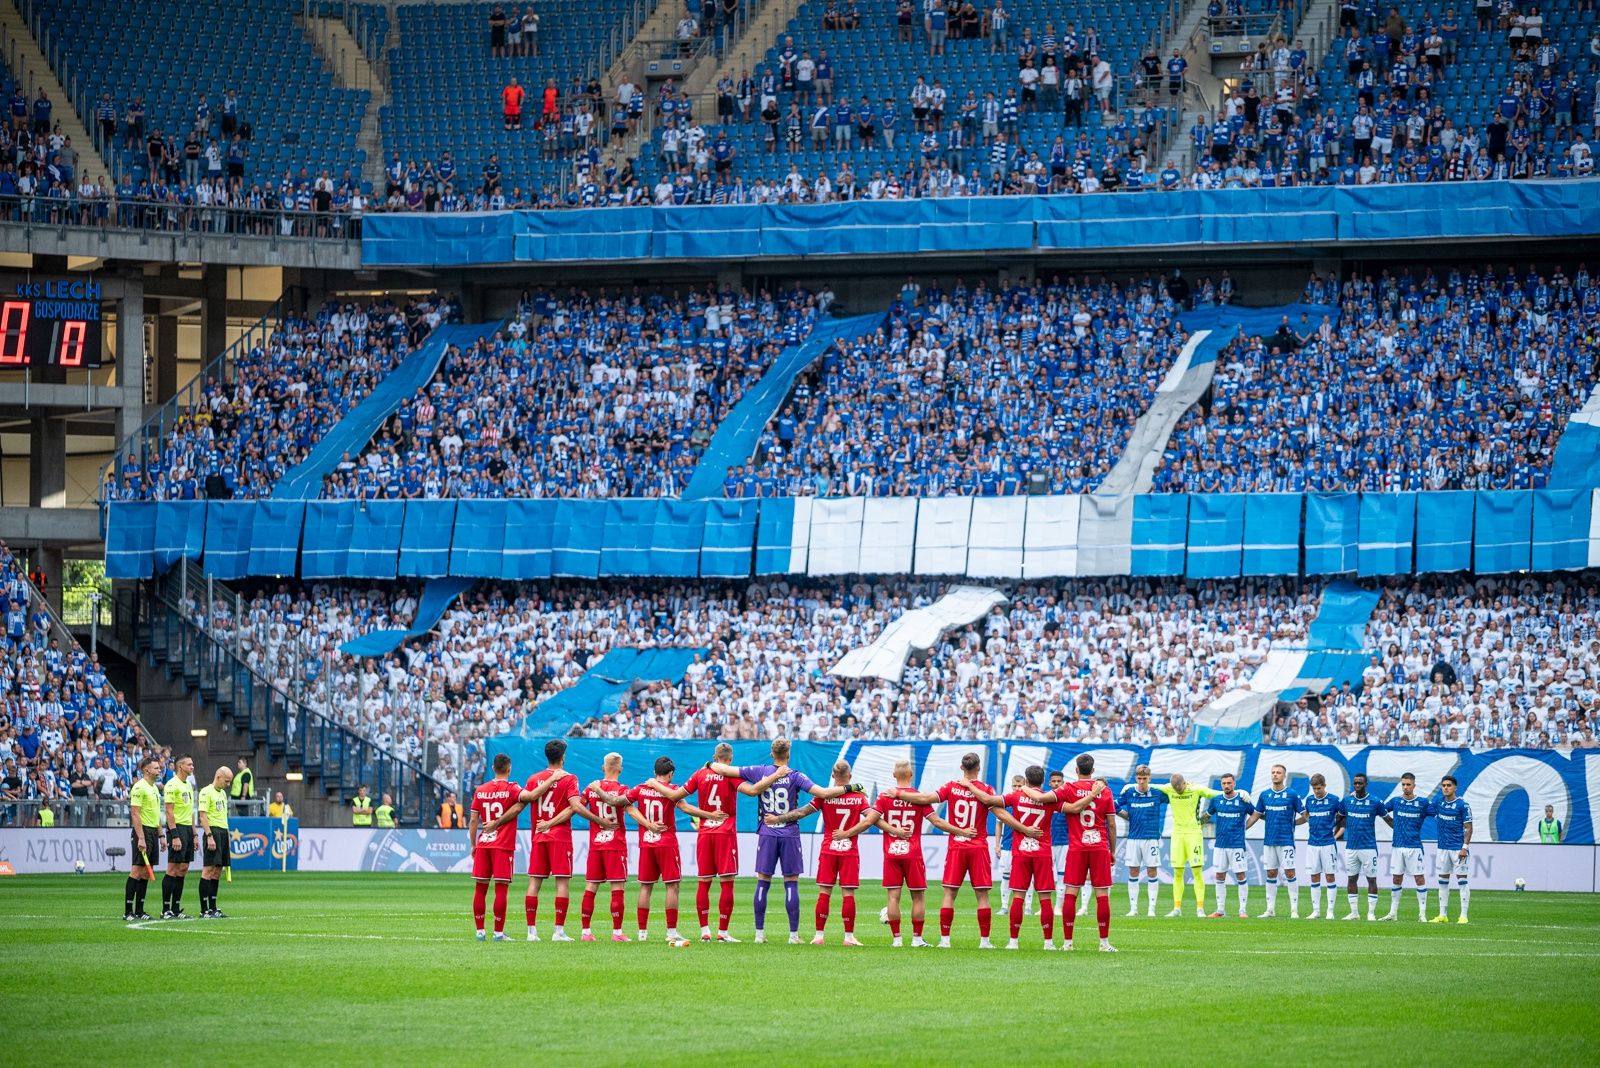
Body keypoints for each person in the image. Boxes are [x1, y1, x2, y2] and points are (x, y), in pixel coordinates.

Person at [706, 738, 843, 943]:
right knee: (791, 883)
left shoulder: (759, 771)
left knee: (763, 882)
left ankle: (759, 935)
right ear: (788, 755)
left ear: (771, 754)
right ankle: (793, 935)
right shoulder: (795, 775)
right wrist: (851, 788)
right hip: (789, 833)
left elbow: (724, 770)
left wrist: (709, 764)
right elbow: (822, 793)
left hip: (767, 833)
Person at [879, 751, 1011, 949]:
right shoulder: (987, 790)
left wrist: (897, 793)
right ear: (978, 768)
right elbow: (1000, 812)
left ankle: (945, 940)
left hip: (956, 846)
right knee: (982, 896)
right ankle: (984, 941)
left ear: (961, 768)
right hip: (978, 845)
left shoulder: (951, 787)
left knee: (949, 894)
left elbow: (925, 799)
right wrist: (1022, 828)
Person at [479, 738, 586, 941]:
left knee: (534, 882)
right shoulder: (569, 778)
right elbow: (573, 807)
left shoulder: (533, 778)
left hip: (538, 836)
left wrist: (496, 822)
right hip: (560, 837)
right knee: (562, 882)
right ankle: (558, 931)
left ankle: (531, 932)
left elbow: (519, 807)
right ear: (563, 757)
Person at [764, 760, 870, 945]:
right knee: (848, 894)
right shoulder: (859, 798)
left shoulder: (824, 796)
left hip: (829, 848)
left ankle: (819, 936)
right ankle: (848, 937)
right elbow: (870, 818)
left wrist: (777, 818)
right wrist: (849, 833)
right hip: (849, 850)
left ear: (832, 776)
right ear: (850, 777)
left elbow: (801, 813)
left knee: (824, 892)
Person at [649, 743, 743, 941]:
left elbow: (676, 796)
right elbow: (751, 791)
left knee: (704, 882)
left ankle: (704, 932)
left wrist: (654, 783)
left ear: (714, 757)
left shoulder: (700, 774)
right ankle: (723, 932)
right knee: (727, 883)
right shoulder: (732, 775)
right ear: (730, 759)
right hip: (725, 833)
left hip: (705, 833)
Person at [1022, 754, 1116, 951]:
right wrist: (1112, 851)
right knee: (1102, 895)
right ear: (1093, 769)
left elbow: (1039, 797)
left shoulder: (1068, 788)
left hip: (1076, 848)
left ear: (1076, 770)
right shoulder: (1105, 791)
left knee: (1071, 894)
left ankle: (1068, 943)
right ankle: (1104, 943)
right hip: (1099, 847)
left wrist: (1023, 786)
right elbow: (1112, 825)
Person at [625, 757, 720, 944]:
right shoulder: (673, 790)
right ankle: (671, 931)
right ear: (670, 774)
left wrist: (646, 824)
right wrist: (709, 815)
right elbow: (686, 808)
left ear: (654, 772)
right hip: (666, 843)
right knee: (672, 886)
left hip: (646, 842)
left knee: (645, 887)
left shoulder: (641, 788)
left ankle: (642, 933)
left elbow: (626, 805)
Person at [871, 758, 965, 946]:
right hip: (913, 853)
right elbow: (937, 822)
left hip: (891, 852)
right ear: (911, 774)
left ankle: (897, 940)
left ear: (893, 775)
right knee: (918, 896)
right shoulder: (918, 797)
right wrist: (961, 831)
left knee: (892, 896)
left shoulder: (884, 796)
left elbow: (873, 819)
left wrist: (892, 830)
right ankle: (916, 939)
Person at [572, 752, 662, 942]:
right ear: (620, 769)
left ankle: (585, 932)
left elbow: (577, 807)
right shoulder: (622, 789)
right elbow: (631, 811)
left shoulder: (591, 788)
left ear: (603, 767)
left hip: (597, 843)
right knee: (617, 888)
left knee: (591, 887)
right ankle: (617, 933)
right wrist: (648, 825)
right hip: (615, 844)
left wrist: (596, 820)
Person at [998, 765, 1068, 948]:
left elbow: (992, 804)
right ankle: (1048, 943)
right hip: (1043, 852)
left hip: (1021, 852)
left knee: (1018, 896)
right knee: (1045, 898)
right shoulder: (1050, 799)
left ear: (1027, 781)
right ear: (1043, 781)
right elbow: (1073, 808)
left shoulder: (1016, 795)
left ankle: (1013, 941)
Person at [469, 753, 524, 941]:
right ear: (509, 769)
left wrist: (474, 844)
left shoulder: (481, 789)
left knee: (480, 889)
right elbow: (525, 800)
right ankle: (498, 933)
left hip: (484, 844)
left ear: (493, 768)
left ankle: (480, 932)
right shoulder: (513, 788)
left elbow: (473, 820)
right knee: (501, 889)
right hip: (502, 845)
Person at [1151, 772, 1217, 917]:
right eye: (1174, 788)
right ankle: (1177, 909)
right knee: (1178, 872)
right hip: (1177, 834)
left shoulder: (1196, 789)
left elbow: (1215, 794)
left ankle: (1200, 909)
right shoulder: (1169, 788)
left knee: (1197, 871)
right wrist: (1130, 786)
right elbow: (1150, 785)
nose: (1176, 790)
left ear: (1184, 783)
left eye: (1178, 787)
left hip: (1194, 833)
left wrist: (1239, 793)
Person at [1247, 762, 1303, 918]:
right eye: (1273, 772)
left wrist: (1297, 823)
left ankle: (1294, 910)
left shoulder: (1291, 794)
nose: (1275, 774)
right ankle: (1270, 910)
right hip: (1269, 841)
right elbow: (1256, 815)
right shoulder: (1265, 795)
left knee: (1289, 873)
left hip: (1286, 841)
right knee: (1271, 873)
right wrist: (1242, 828)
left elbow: (1305, 814)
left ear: (1284, 776)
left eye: (1278, 772)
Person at [1116, 763, 1169, 918]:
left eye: (1144, 779)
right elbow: (1114, 805)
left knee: (1152, 871)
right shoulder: (1130, 792)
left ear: (1149, 778)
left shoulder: (1158, 793)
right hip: (1133, 838)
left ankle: (1151, 909)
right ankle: (1133, 908)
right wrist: (1127, 816)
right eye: (1139, 778)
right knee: (1133, 871)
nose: (1141, 782)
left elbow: (1175, 796)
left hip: (1151, 838)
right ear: (1135, 778)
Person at [1382, 772, 1433, 921]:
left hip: (1414, 846)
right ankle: (1393, 913)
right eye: (1403, 784)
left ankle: (1422, 914)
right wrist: (1392, 824)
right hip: (1397, 846)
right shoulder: (1395, 801)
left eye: (1408, 784)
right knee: (1396, 879)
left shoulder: (1423, 803)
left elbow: (1437, 812)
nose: (1405, 787)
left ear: (1414, 785)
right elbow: (1380, 810)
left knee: (1419, 879)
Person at [1340, 772, 1386, 920]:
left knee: (1371, 879)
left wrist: (1399, 830)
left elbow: (1388, 819)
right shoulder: (1346, 801)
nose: (1357, 785)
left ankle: (1371, 913)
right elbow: (1337, 818)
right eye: (1355, 783)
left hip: (1368, 847)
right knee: (1351, 879)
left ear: (1366, 784)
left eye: (1360, 783)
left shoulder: (1375, 802)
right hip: (1351, 847)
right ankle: (1354, 913)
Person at [1207, 773, 1252, 919]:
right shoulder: (1216, 800)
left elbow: (1257, 814)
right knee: (1219, 875)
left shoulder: (1243, 800)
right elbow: (1206, 816)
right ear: (1221, 785)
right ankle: (1220, 910)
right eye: (1224, 783)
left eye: (1229, 783)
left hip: (1237, 845)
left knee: (1240, 875)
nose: (1226, 786)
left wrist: (1245, 827)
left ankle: (1242, 910)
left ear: (1234, 784)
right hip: (1220, 845)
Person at [1299, 773, 1343, 920]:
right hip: (1312, 844)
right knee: (1314, 876)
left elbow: (1342, 815)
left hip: (1328, 844)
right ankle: (1316, 911)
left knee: (1330, 876)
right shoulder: (1310, 800)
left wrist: (1332, 824)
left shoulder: (1334, 800)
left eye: (1318, 788)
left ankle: (1330, 911)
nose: (1316, 791)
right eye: (1314, 788)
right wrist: (1293, 822)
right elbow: (1306, 815)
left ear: (1324, 785)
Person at [1430, 774, 1473, 924]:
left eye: (1449, 785)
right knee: (1442, 881)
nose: (1446, 788)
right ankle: (1443, 915)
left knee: (1462, 881)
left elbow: (1469, 828)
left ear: (1455, 787)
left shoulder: (1463, 805)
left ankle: (1463, 916)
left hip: (1457, 849)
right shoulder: (1439, 803)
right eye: (1444, 785)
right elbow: (1426, 810)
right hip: (1442, 848)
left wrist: (1464, 847)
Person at [123, 754, 162, 921]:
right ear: (147, 770)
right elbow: (135, 814)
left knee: (146, 872)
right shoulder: (139, 787)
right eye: (156, 768)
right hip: (143, 832)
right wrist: (140, 837)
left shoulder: (154, 788)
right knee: (137, 870)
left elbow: (155, 813)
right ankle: (128, 911)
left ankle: (140, 910)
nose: (159, 770)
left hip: (153, 831)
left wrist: (161, 834)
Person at [161, 755, 197, 920]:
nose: (192, 767)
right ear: (180, 766)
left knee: (183, 869)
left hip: (188, 830)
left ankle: (176, 908)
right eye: (189, 764)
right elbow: (169, 812)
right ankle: (165, 909)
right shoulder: (171, 785)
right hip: (177, 829)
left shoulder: (188, 785)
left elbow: (190, 812)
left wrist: (195, 834)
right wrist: (174, 835)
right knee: (173, 868)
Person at [197, 764, 234, 919]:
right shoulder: (206, 792)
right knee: (208, 869)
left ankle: (213, 907)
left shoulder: (223, 795)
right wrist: (209, 835)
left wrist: (227, 834)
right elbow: (203, 816)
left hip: (223, 832)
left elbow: (223, 815)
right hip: (213, 831)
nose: (228, 785)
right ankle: (204, 909)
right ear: (218, 777)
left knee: (218, 870)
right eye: (226, 781)